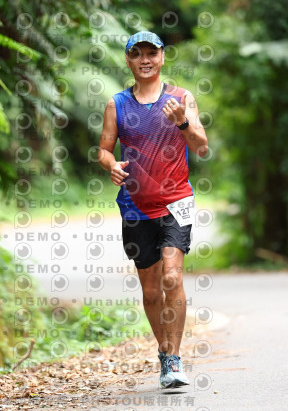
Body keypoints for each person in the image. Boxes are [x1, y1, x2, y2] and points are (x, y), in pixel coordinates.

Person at [97, 31, 209, 389]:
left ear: (162, 57)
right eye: (137, 54)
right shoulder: (116, 104)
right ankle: (163, 350)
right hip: (135, 206)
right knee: (150, 292)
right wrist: (111, 164)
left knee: (172, 278)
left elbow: (202, 146)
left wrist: (183, 122)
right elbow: (104, 149)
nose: (145, 60)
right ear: (128, 60)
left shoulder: (181, 98)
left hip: (176, 202)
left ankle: (174, 359)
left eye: (151, 53)